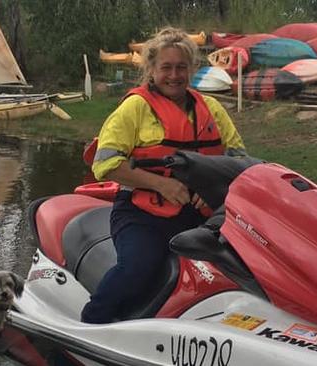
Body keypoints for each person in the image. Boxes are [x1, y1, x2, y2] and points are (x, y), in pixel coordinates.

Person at [80, 27, 246, 324]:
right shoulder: (136, 108)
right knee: (138, 267)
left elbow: (238, 162)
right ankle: (89, 326)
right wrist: (162, 184)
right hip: (142, 215)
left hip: (201, 216)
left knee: (241, 265)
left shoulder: (211, 109)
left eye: (181, 67)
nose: (174, 75)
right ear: (151, 70)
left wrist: (210, 189)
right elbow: (105, 165)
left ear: (192, 69)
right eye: (166, 68)